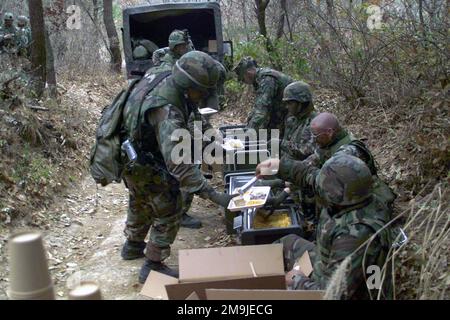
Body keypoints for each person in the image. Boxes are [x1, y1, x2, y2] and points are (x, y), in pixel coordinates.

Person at [120, 51, 235, 283]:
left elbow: (192, 114)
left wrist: (211, 138)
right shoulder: (167, 110)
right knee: (171, 205)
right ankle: (153, 265)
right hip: (143, 160)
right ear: (189, 85)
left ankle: (132, 245)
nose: (203, 96)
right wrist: (213, 195)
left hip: (130, 154)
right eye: (202, 91)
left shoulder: (164, 76)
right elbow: (180, 165)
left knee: (140, 198)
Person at [256, 154, 393, 299]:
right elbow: (311, 176)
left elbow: (331, 294)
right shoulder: (355, 195)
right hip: (327, 262)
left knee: (286, 289)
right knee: (286, 244)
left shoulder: (354, 235)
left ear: (335, 194)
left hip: (347, 291)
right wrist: (279, 166)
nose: (319, 188)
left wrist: (297, 281)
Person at [306, 112, 396, 210]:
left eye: (316, 136)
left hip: (362, 200)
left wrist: (304, 175)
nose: (314, 140)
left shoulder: (350, 150)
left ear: (329, 132)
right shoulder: (328, 143)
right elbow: (312, 161)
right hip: (347, 193)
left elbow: (327, 177)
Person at [233, 56, 294, 138]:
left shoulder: (266, 80)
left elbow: (261, 111)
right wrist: (249, 125)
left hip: (292, 116)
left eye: (242, 79)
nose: (243, 82)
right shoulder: (260, 79)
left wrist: (247, 135)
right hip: (282, 113)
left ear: (248, 73)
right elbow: (258, 107)